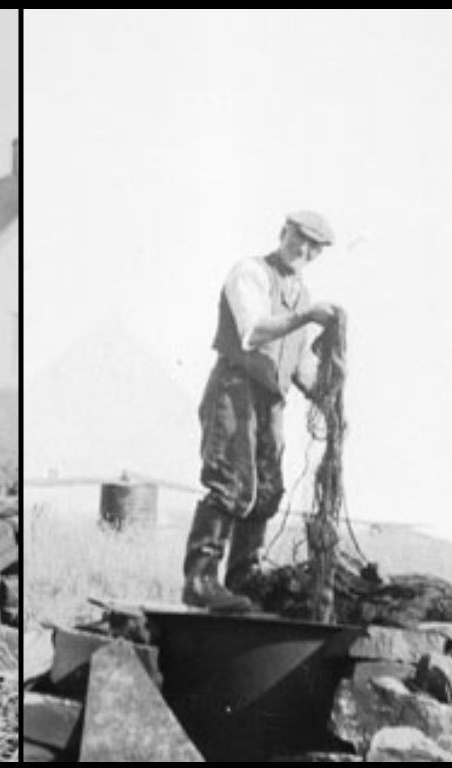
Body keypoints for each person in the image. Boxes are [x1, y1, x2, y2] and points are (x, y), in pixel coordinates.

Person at [181, 211, 340, 612]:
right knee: (230, 482)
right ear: (283, 232)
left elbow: (299, 366)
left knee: (267, 490)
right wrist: (306, 316)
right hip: (234, 390)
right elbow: (252, 331)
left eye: (314, 247)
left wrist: (329, 402)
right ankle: (200, 580)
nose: (304, 250)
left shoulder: (301, 294)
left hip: (271, 400)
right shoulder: (250, 273)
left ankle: (243, 578)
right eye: (299, 239)